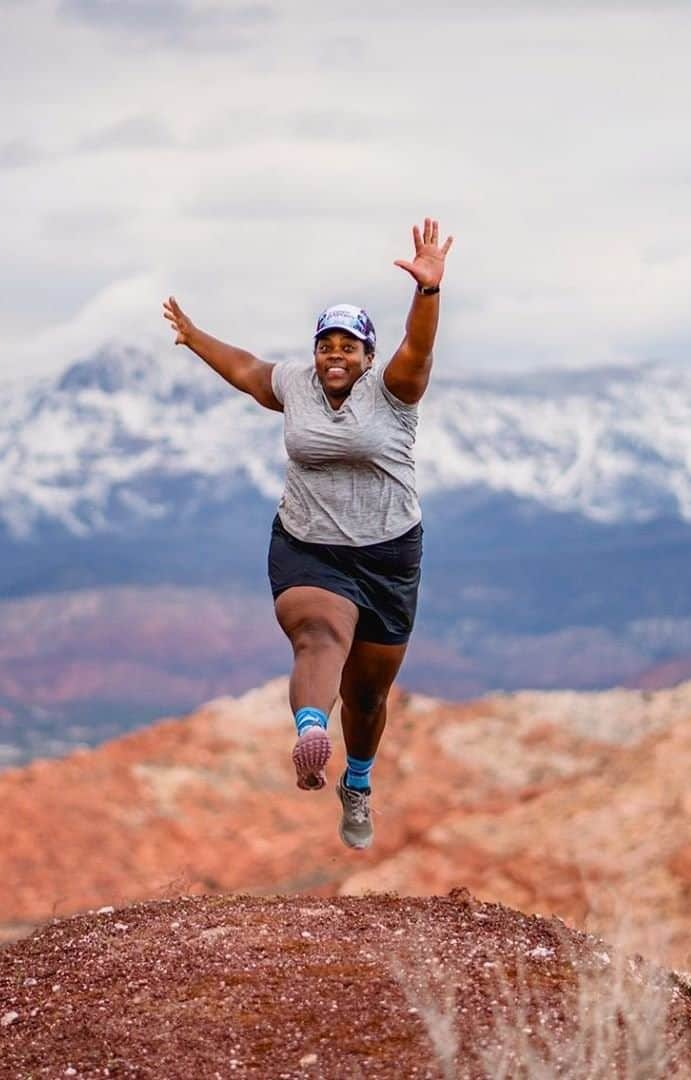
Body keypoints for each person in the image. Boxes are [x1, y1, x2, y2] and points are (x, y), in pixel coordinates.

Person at [162, 218, 453, 850]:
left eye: (349, 346)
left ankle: (357, 781)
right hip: (308, 545)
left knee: (369, 696)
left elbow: (419, 350)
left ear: (368, 356)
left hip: (387, 554)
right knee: (320, 635)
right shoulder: (296, 385)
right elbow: (244, 369)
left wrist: (427, 293)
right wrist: (192, 337)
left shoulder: (394, 391)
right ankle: (311, 730)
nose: (336, 355)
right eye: (327, 345)